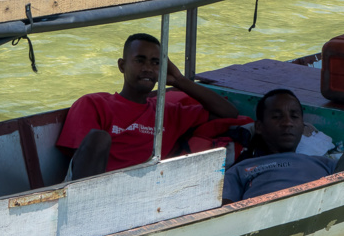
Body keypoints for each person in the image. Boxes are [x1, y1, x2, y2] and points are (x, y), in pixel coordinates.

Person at [57, 33, 239, 179]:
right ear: (122, 65)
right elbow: (81, 159)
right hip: (90, 188)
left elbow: (229, 112)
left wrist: (179, 80)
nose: (148, 68)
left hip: (146, 188)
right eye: (140, 60)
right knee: (99, 137)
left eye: (155, 63)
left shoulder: (167, 113)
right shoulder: (93, 103)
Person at [222, 89, 344, 204]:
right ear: (259, 127)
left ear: (302, 126)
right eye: (277, 117)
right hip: (264, 217)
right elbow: (225, 210)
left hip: (328, 201)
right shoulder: (240, 169)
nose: (288, 123)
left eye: (294, 117)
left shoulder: (323, 163)